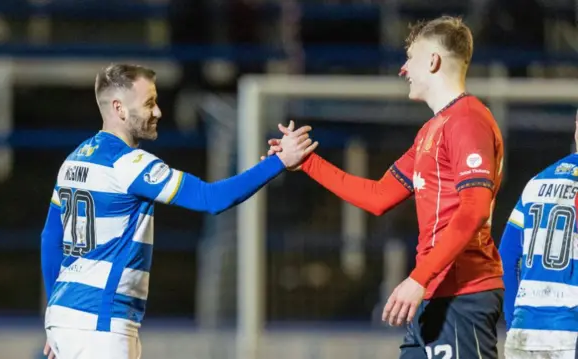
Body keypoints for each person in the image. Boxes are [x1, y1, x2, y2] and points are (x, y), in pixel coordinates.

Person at [265, 16, 504, 358]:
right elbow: (378, 196)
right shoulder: (432, 130)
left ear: (433, 61)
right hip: (434, 292)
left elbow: (474, 208)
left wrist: (418, 278)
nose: (403, 68)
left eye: (410, 57)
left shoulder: (468, 120)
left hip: (462, 291)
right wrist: (306, 161)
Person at [40, 64, 318, 359]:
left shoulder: (74, 160)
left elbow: (50, 237)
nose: (158, 111)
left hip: (65, 319)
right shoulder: (130, 165)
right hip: (102, 324)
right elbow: (211, 199)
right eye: (148, 103)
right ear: (119, 109)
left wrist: (55, 312)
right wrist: (279, 162)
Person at [499, 112, 578, 359]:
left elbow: (505, 258)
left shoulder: (536, 182)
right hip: (569, 332)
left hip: (524, 331)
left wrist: (514, 323)